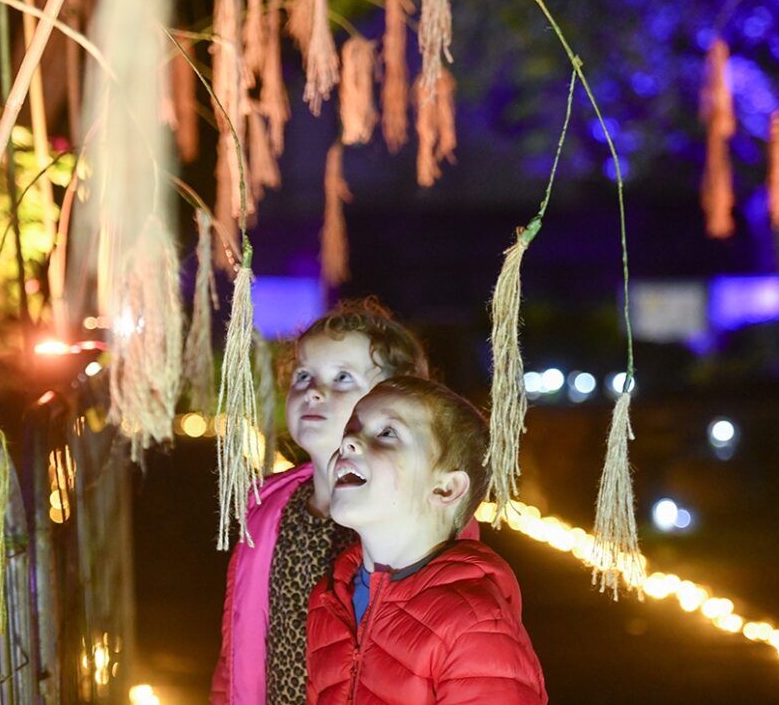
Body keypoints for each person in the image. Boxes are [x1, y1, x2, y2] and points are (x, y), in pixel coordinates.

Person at [210, 299, 431, 704]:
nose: (314, 391)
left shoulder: (417, 518)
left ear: (395, 402)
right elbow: (238, 640)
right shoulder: (268, 509)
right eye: (303, 375)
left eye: (343, 378)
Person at [306, 376, 548, 703]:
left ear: (444, 489)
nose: (348, 442)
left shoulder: (474, 625)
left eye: (387, 433)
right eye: (351, 429)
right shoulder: (331, 601)